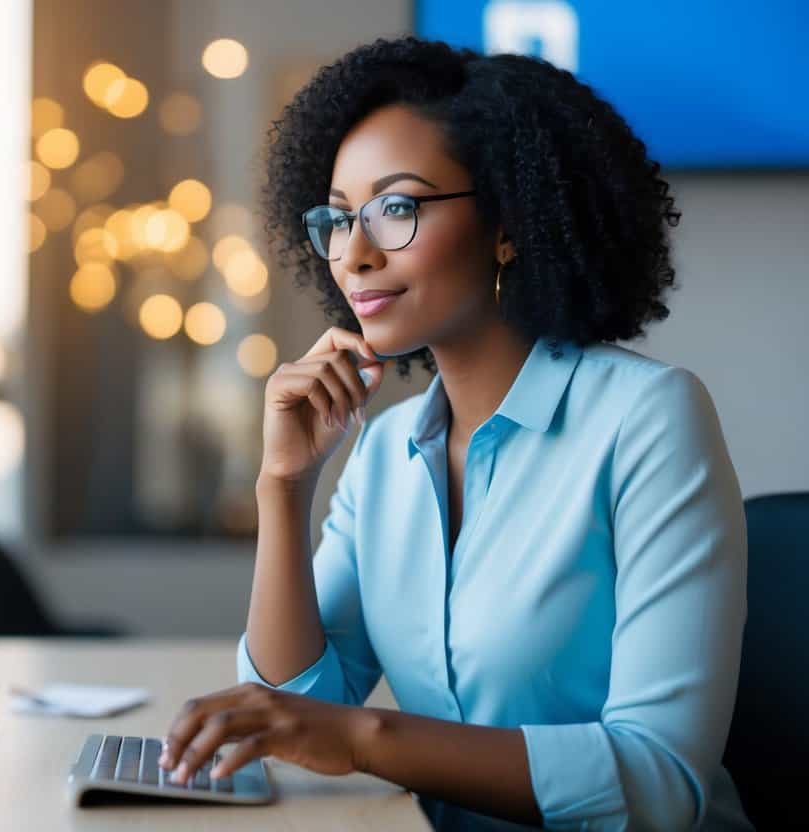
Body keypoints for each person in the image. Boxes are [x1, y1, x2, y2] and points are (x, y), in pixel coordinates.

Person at [158, 36, 751, 830]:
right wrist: (283, 487)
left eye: (397, 207)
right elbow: (297, 705)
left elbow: (657, 780)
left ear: (507, 224)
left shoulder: (645, 418)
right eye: (338, 218)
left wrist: (362, 737)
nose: (354, 254)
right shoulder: (385, 450)